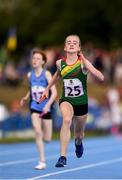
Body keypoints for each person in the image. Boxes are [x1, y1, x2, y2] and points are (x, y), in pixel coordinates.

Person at [40, 34, 104, 168]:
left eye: (75, 42)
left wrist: (87, 63)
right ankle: (62, 157)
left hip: (81, 103)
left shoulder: (83, 63)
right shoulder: (59, 63)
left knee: (79, 134)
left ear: (79, 47)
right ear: (65, 47)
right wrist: (47, 88)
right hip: (66, 99)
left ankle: (78, 143)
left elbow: (101, 77)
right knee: (67, 120)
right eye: (69, 42)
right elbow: (57, 75)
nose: (71, 44)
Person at [20, 48, 57, 170]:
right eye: (33, 58)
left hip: (46, 109)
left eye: (38, 59)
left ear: (43, 62)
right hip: (34, 107)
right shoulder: (29, 75)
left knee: (47, 138)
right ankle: (42, 161)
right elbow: (31, 89)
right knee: (37, 131)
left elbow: (54, 93)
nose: (35, 60)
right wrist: (25, 98)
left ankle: (45, 139)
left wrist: (47, 105)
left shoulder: (46, 74)